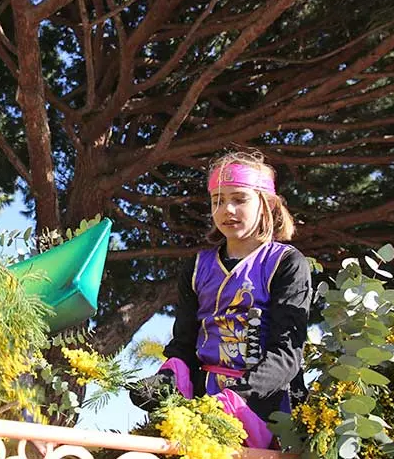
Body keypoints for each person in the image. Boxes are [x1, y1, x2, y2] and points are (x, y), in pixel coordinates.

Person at [130, 151, 313, 449]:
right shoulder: (197, 267)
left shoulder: (287, 264)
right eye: (217, 200)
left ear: (266, 204)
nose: (227, 209)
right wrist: (164, 382)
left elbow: (286, 354)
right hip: (203, 403)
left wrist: (237, 398)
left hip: (266, 405)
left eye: (239, 199)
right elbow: (184, 345)